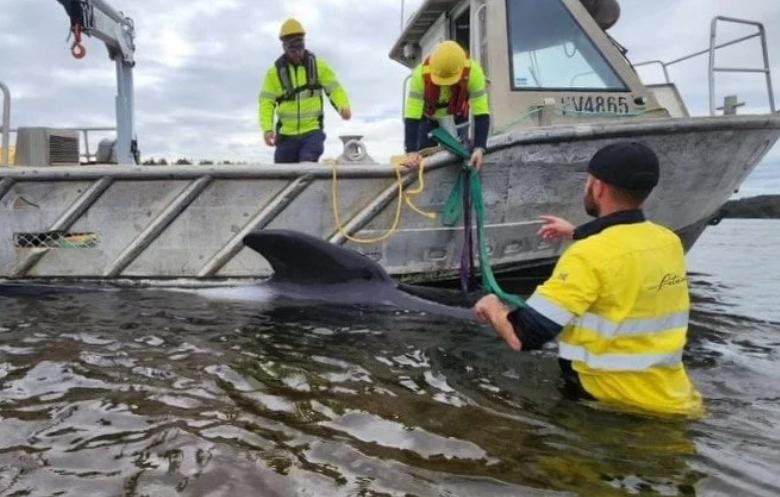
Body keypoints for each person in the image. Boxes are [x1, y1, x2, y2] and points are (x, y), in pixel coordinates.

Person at [474, 142, 703, 416]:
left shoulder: (587, 256)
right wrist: (577, 232)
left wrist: (491, 306)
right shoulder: (669, 242)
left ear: (598, 188)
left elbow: (522, 336)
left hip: (611, 408)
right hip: (676, 400)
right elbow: (623, 251)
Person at [258, 18, 352, 163]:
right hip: (286, 136)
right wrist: (267, 129)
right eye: (292, 49)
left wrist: (343, 106)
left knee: (307, 165)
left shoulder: (319, 66)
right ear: (284, 48)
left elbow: (335, 89)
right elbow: (266, 103)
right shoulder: (274, 73)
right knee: (281, 174)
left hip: (312, 132)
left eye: (300, 47)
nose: (297, 53)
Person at [403, 40, 490, 170]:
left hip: (458, 117)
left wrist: (480, 148)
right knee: (422, 159)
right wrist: (411, 151)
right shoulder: (419, 75)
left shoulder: (474, 72)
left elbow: (481, 113)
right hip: (428, 118)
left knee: (463, 155)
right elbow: (412, 115)